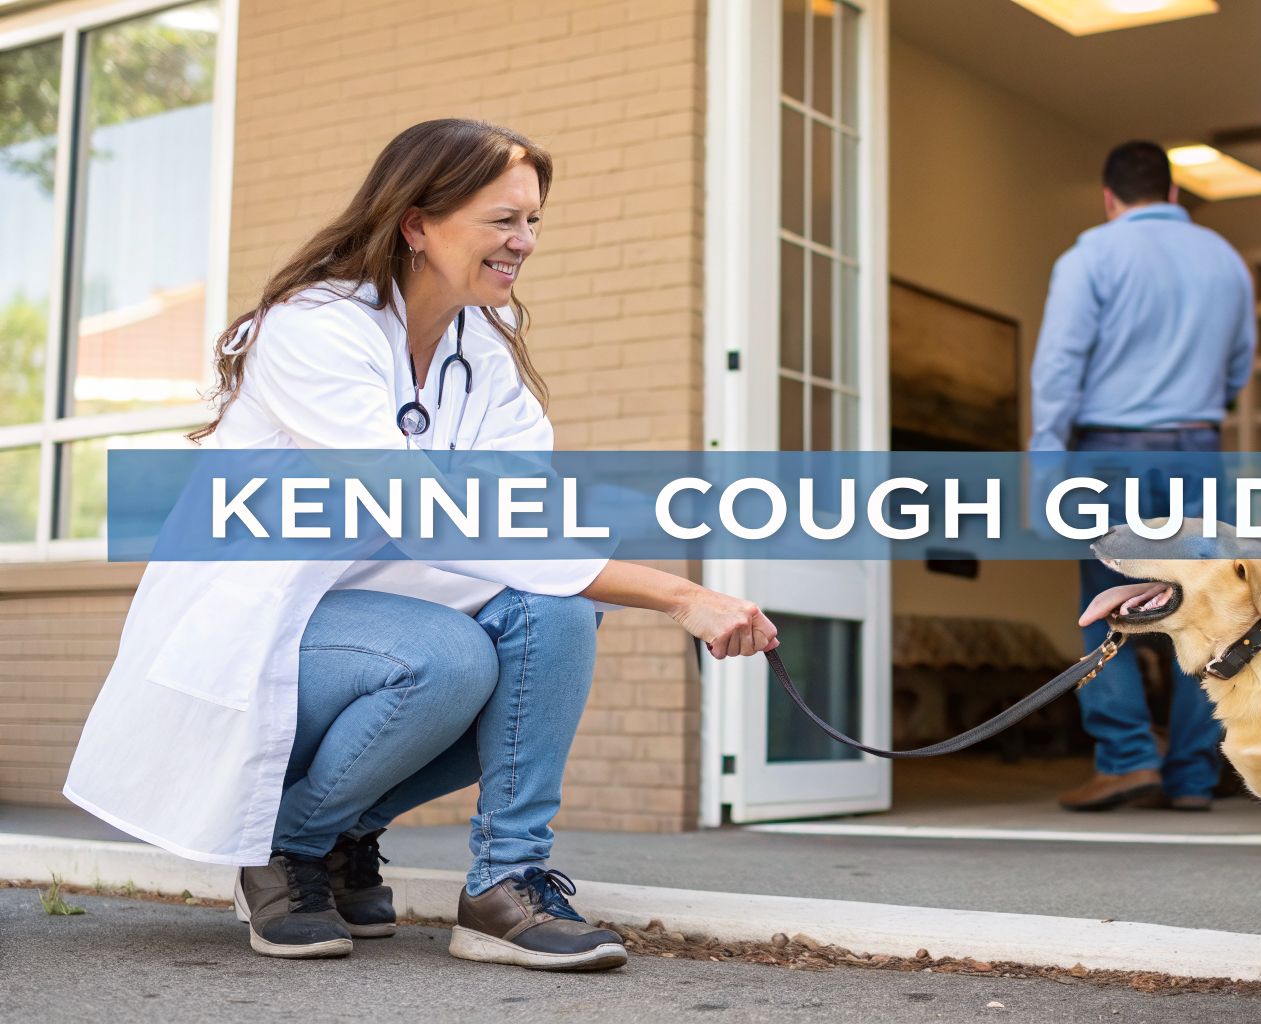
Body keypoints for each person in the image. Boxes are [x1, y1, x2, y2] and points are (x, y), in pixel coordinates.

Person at [63, 120, 779, 970]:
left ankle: (502, 885)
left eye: (534, 222)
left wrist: (622, 572)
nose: (524, 242)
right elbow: (426, 515)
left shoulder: (488, 358)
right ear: (417, 222)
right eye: (503, 220)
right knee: (447, 660)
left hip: (393, 620)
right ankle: (291, 845)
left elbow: (523, 522)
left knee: (556, 616)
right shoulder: (313, 329)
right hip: (268, 623)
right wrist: (678, 596)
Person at [1029, 140, 1256, 812]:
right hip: (1199, 452)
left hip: (1111, 454)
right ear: (1175, 194)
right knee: (1202, 612)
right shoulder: (1226, 261)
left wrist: (1047, 464)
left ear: (1109, 198)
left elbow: (1059, 369)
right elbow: (1239, 367)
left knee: (1108, 607)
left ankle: (1128, 760)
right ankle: (1190, 775)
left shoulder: (1091, 255)